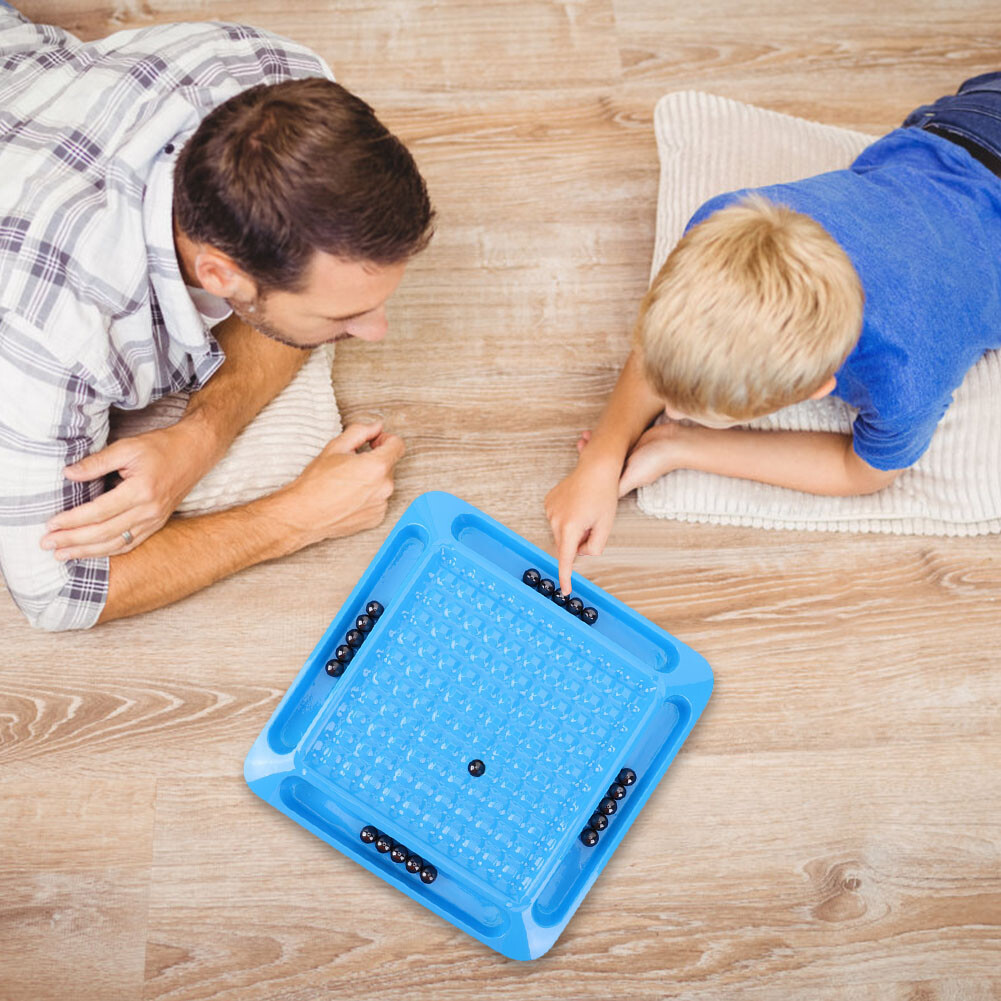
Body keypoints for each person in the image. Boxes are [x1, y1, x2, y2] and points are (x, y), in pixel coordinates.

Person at [0, 9, 434, 630]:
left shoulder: (278, 76)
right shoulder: (48, 335)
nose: (378, 331)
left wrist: (200, 438)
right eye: (346, 315)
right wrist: (295, 517)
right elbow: (59, 593)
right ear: (221, 277)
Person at [546, 73, 1001, 594]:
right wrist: (602, 457)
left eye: (689, 413)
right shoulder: (719, 220)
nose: (669, 410)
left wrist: (684, 446)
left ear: (819, 389)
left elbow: (863, 473)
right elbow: (661, 347)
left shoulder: (906, 375)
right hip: (967, 121)